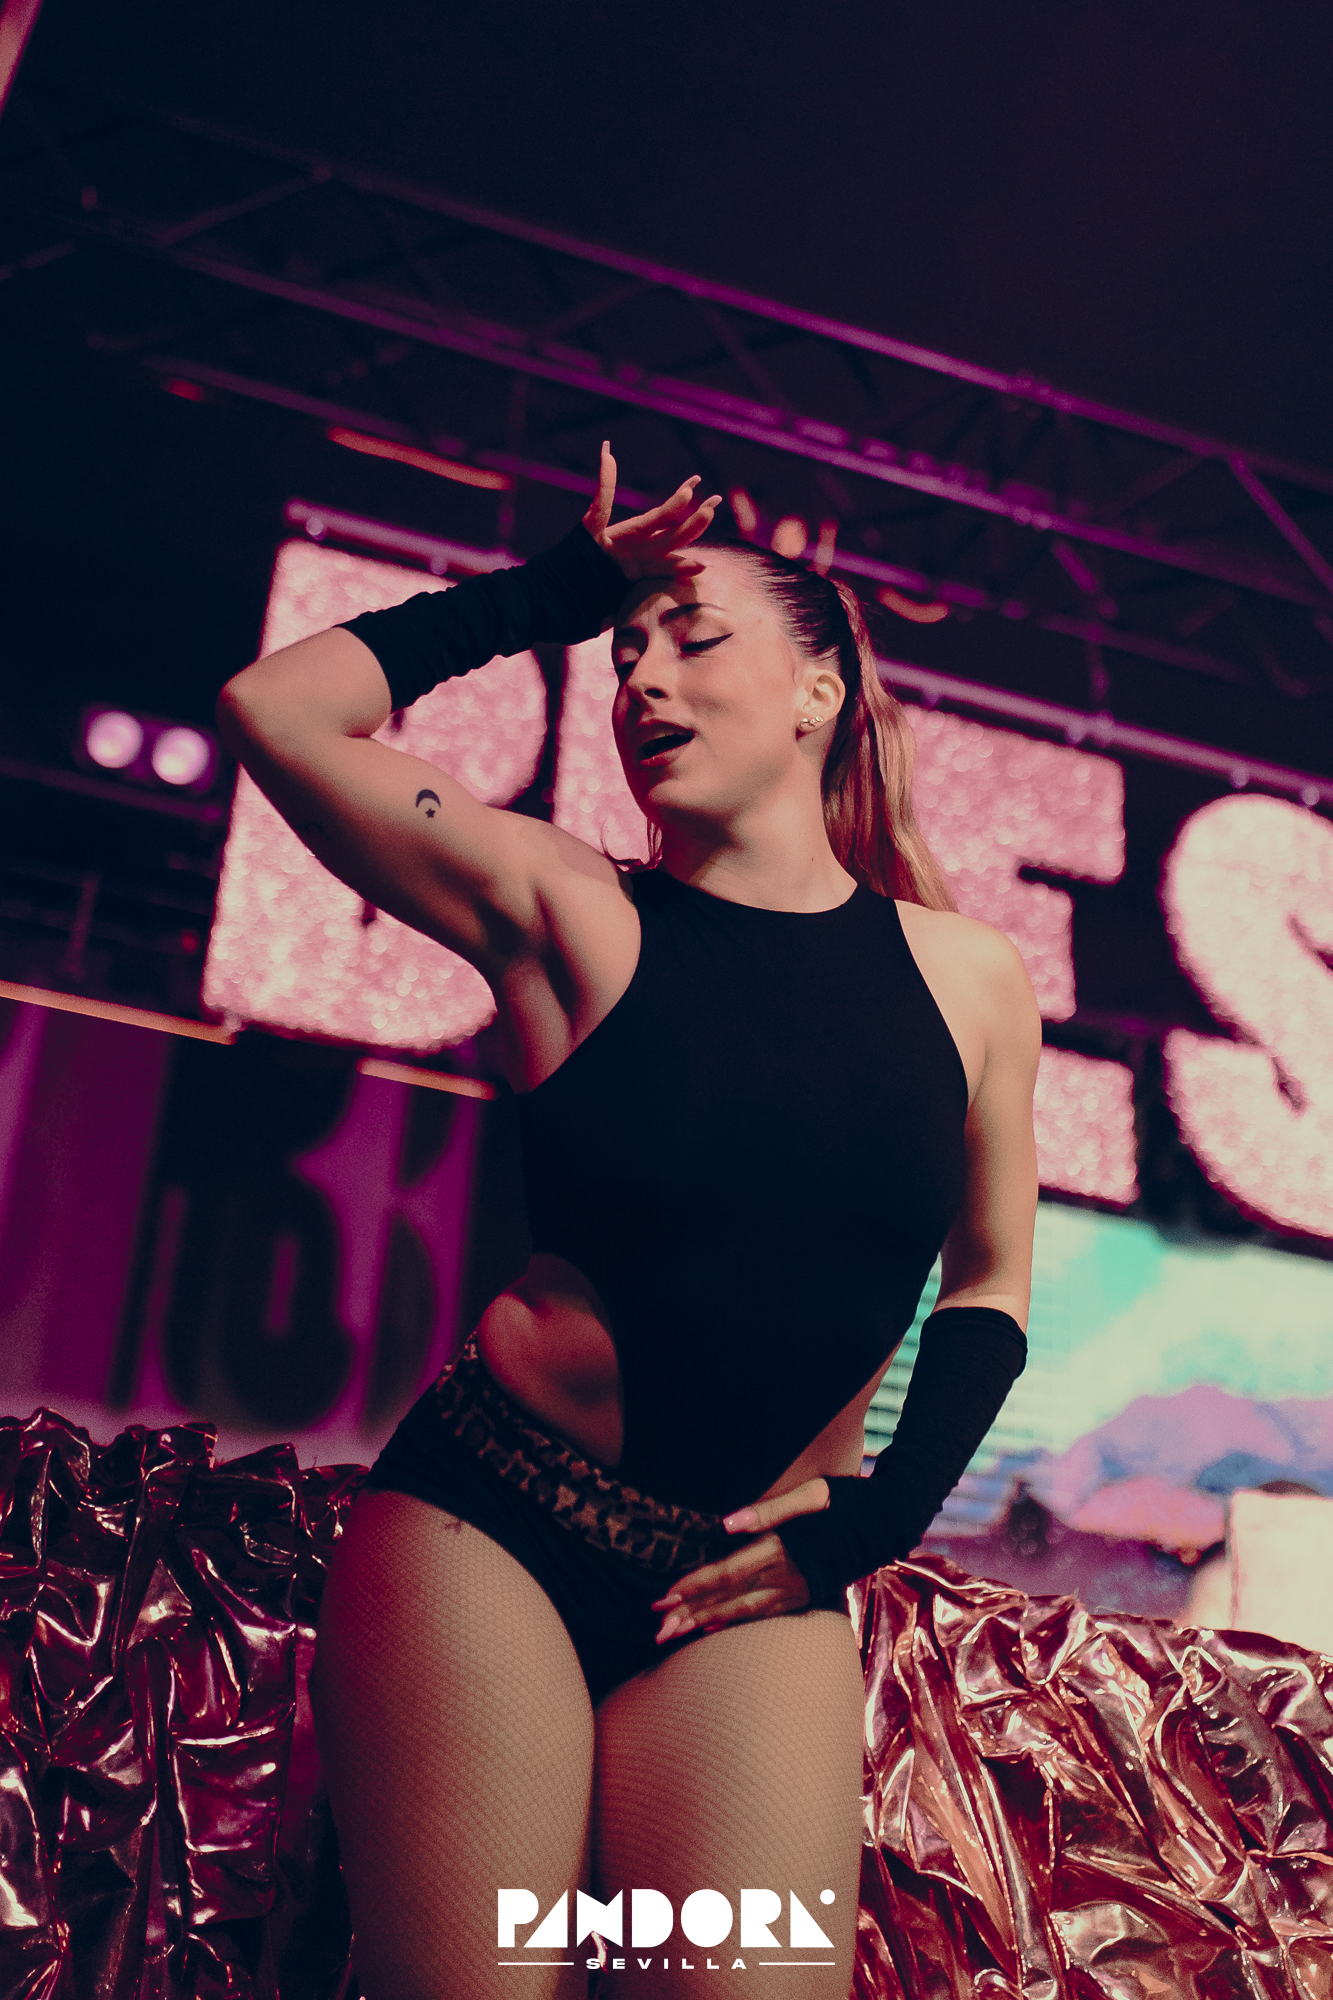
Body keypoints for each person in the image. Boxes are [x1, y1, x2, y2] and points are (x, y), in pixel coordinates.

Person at [216, 447, 1041, 2000]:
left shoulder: (972, 978)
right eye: (623, 653)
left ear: (819, 693)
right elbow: (278, 709)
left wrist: (881, 1517)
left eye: (692, 639)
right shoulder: (564, 905)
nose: (641, 678)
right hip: (490, 1532)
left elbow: (989, 1282)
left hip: (749, 1580)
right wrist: (551, 592)